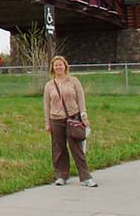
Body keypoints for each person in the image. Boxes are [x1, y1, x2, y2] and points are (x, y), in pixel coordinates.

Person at [43, 55, 97, 187]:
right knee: (58, 148)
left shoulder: (73, 81)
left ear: (65, 66)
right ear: (53, 68)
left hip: (72, 118)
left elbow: (80, 99)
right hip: (56, 119)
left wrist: (84, 116)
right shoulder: (49, 85)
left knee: (76, 148)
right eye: (56, 65)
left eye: (60, 65)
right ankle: (61, 175)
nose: (58, 67)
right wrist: (47, 122)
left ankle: (85, 177)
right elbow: (46, 104)